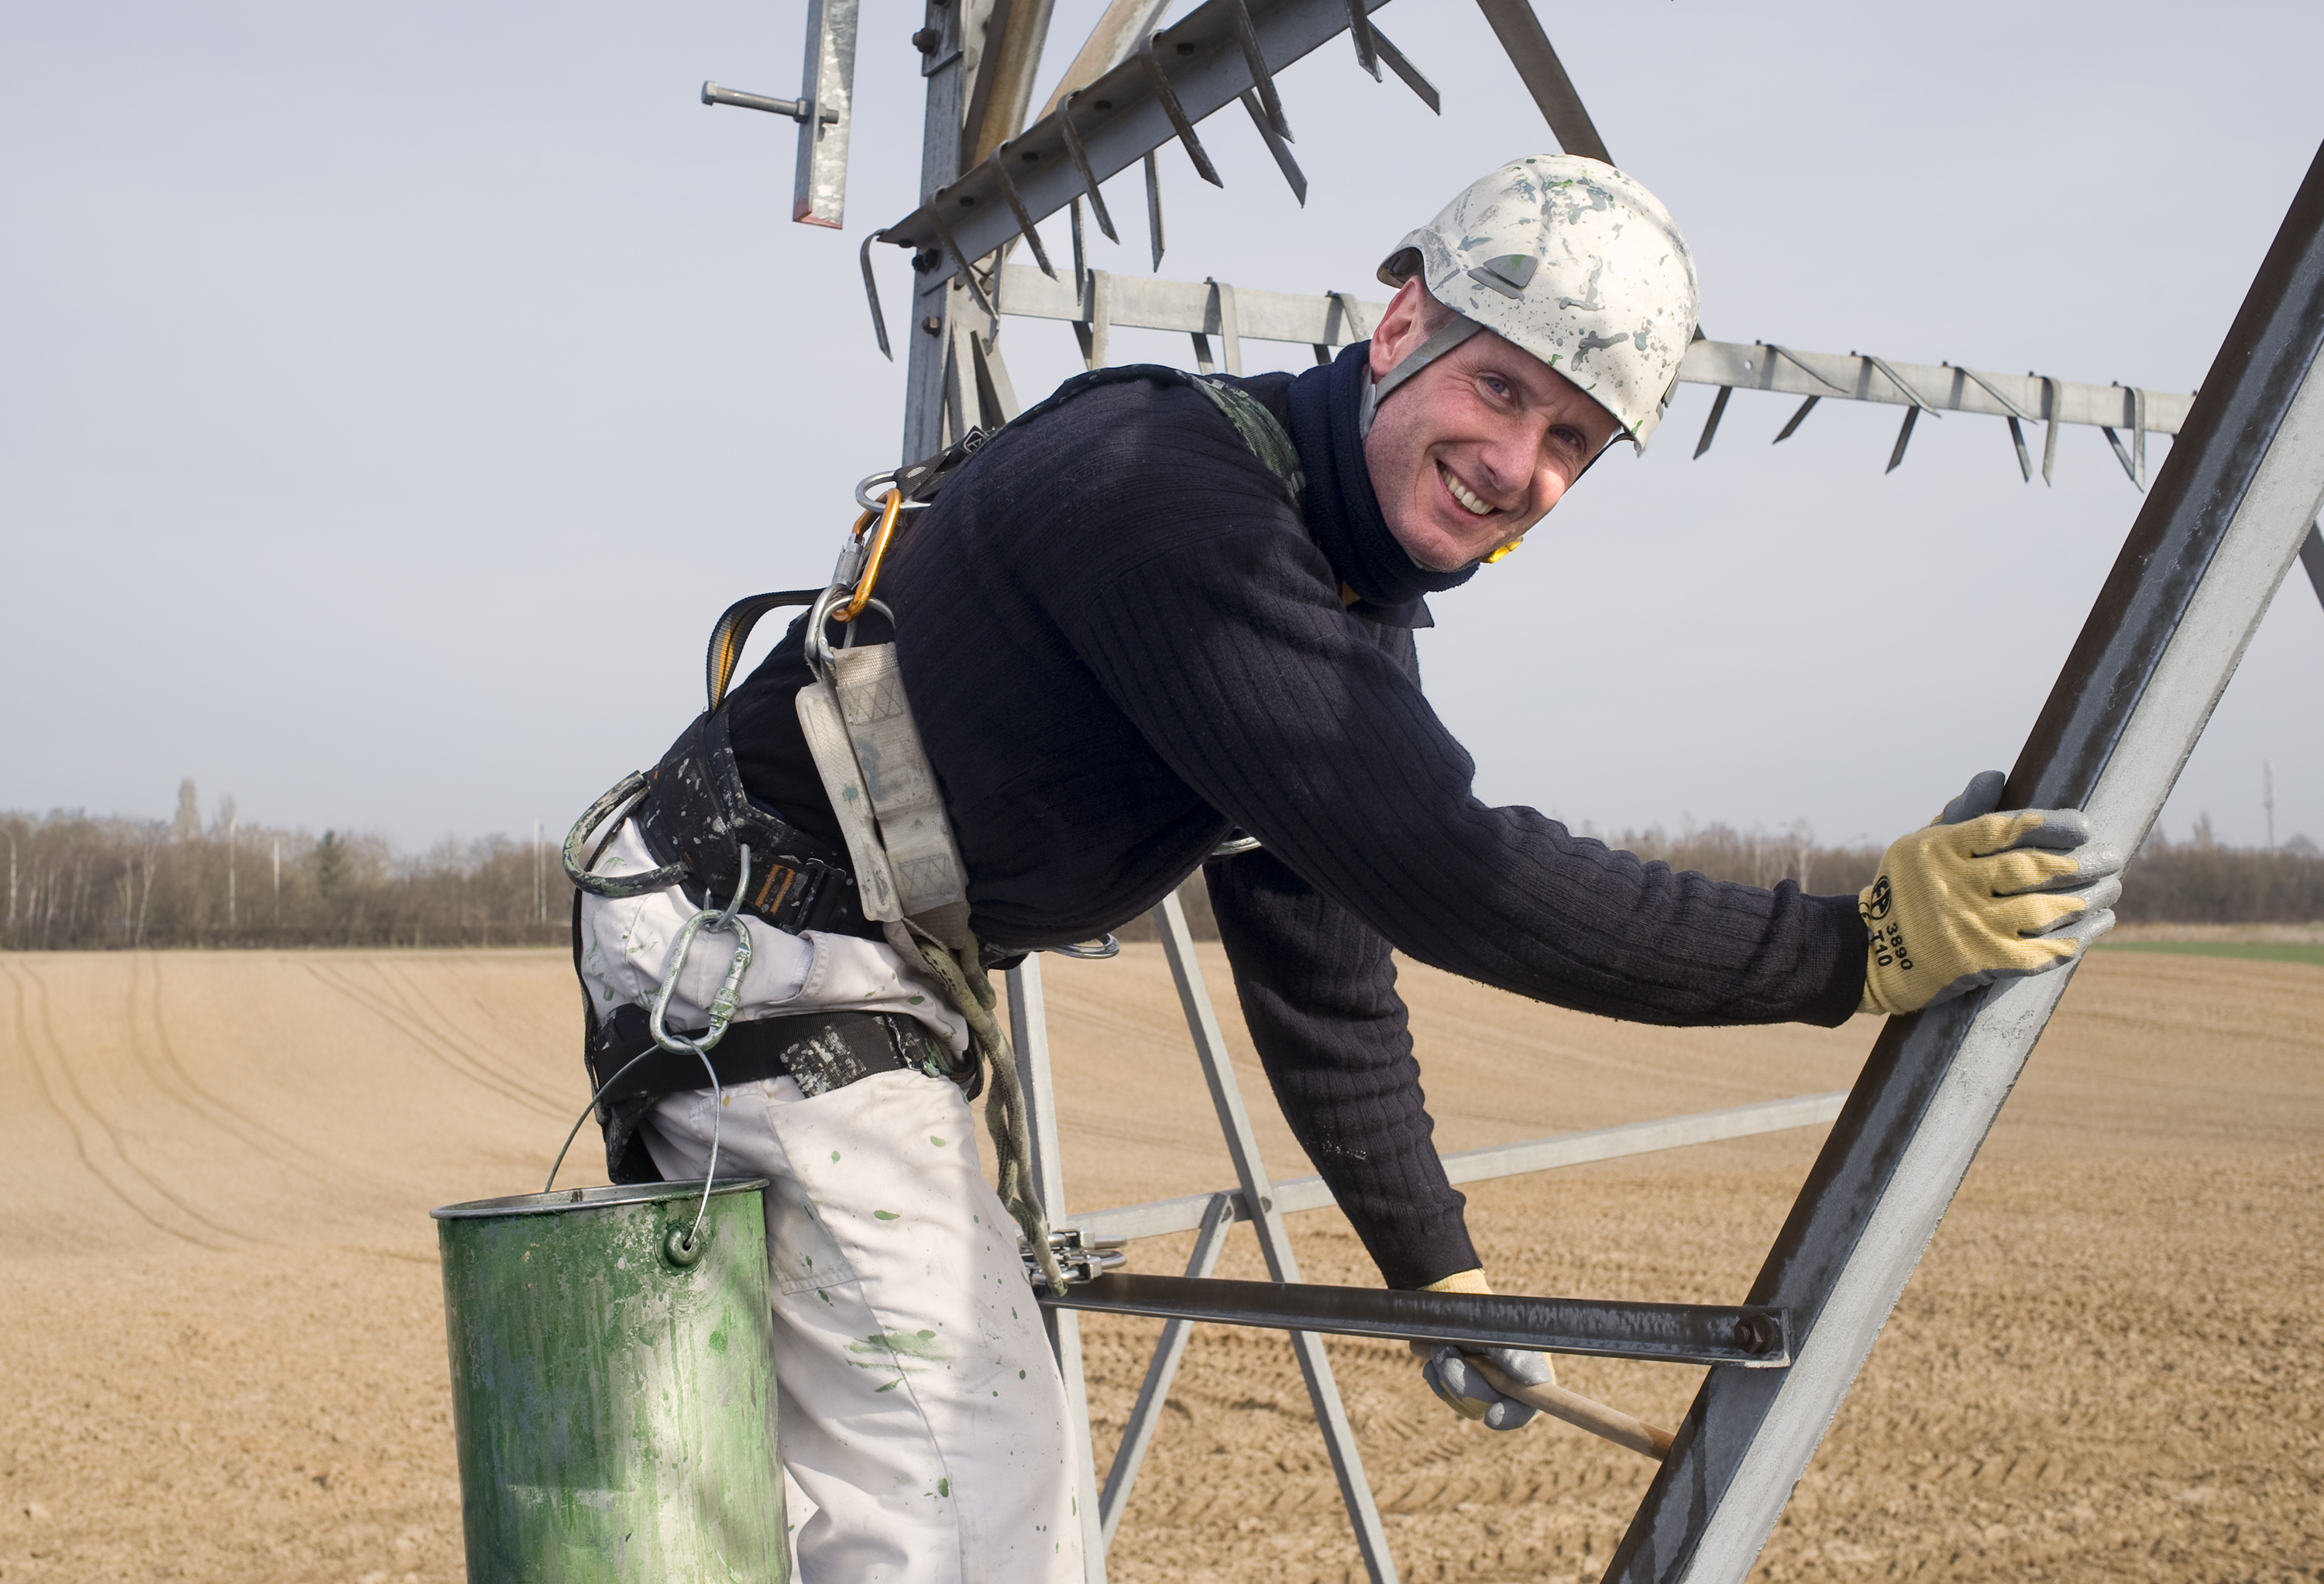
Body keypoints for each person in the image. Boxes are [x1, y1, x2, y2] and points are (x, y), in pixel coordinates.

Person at [566, 155, 2121, 1582]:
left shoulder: (1318, 586)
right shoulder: (1185, 513)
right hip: (764, 964)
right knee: (969, 1500)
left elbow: (1325, 967)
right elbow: (1451, 871)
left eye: (1570, 438)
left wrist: (1429, 1265)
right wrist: (1843, 954)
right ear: (1401, 327)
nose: (1515, 462)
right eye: (1500, 388)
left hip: (787, 958)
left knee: (894, 1488)